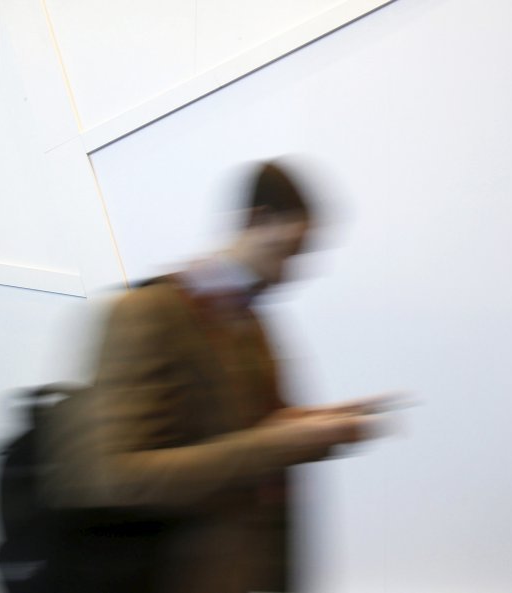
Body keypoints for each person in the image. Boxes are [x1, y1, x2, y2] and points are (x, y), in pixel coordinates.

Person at [42, 161, 392, 593]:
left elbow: (252, 428)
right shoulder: (145, 316)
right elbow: (113, 476)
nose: (292, 272)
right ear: (257, 220)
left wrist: (315, 427)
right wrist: (275, 445)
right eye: (287, 251)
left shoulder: (251, 322)